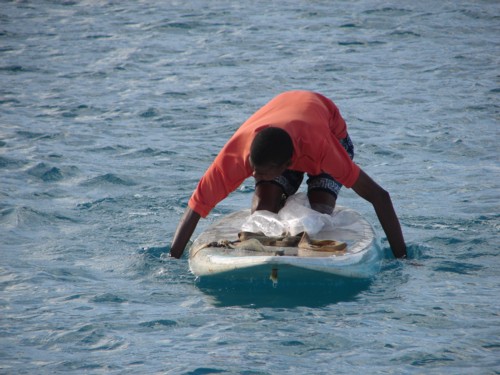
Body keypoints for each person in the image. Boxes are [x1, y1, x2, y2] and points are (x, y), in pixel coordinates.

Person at [169, 90, 407, 259]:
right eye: (254, 170)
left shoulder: (324, 150)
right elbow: (196, 206)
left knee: (319, 211)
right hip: (280, 139)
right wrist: (172, 259)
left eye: (262, 173)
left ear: (289, 164)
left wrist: (402, 259)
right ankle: (279, 203)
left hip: (329, 135)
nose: (254, 175)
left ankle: (303, 204)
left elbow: (379, 196)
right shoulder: (237, 154)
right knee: (264, 206)